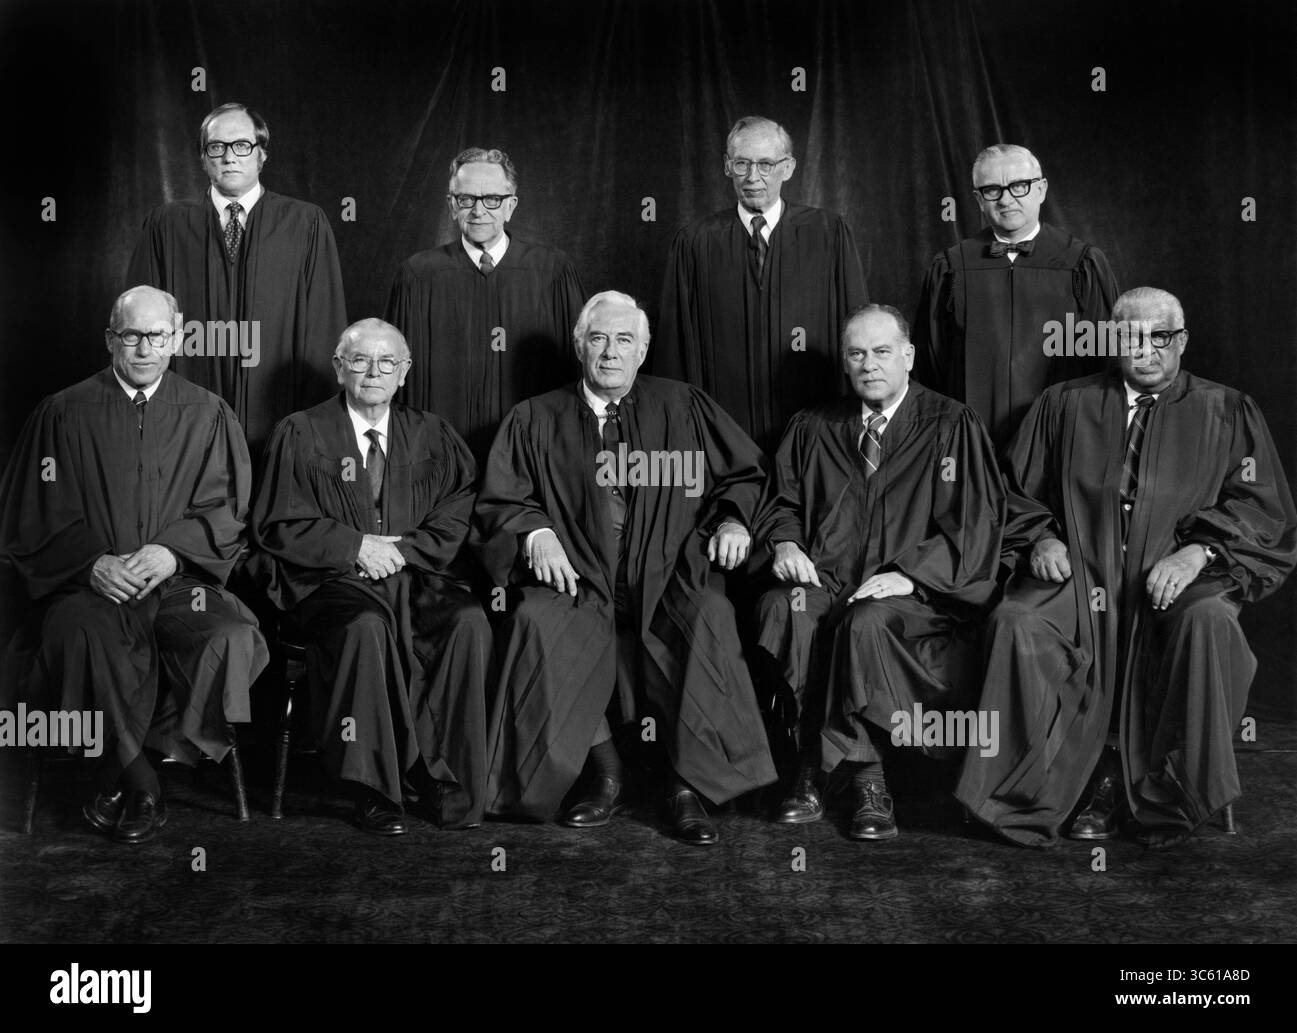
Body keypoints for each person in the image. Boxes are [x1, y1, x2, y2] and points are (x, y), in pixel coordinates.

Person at [956, 287, 1297, 848]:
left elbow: (1260, 508)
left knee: (1209, 621)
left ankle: (1170, 790)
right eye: (1130, 338)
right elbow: (1011, 493)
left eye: (1160, 338)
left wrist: (1199, 553)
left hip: (1174, 576)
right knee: (1016, 621)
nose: (1145, 352)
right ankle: (1035, 789)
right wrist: (1041, 538)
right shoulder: (1065, 403)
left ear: (1182, 340)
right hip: (1083, 572)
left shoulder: (1228, 409)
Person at [475, 291, 776, 845]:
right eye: (598, 339)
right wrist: (535, 533)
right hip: (577, 576)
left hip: (670, 571)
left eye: (623, 341)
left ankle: (686, 785)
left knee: (708, 615)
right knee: (534, 623)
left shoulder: (684, 405)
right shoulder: (535, 417)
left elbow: (743, 476)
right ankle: (604, 770)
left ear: (643, 351)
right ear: (578, 347)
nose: (610, 353)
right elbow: (500, 499)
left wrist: (734, 522)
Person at [0, 286, 268, 844]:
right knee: (79, 633)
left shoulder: (207, 412)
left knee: (229, 633)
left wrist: (172, 552)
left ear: (178, 337)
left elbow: (226, 508)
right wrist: (92, 563)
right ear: (110, 338)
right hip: (90, 586)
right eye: (132, 335)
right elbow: (31, 514)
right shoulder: (62, 411)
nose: (145, 348)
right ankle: (141, 781)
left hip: (177, 583)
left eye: (158, 335)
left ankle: (137, 760)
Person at [753, 305, 1005, 839]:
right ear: (845, 364)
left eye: (883, 351)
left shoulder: (950, 425)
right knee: (785, 608)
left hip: (913, 594)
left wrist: (912, 576)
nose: (870, 365)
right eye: (857, 354)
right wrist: (784, 543)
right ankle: (814, 764)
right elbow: (781, 502)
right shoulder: (813, 426)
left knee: (864, 622)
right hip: (829, 580)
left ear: (908, 357)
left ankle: (864, 781)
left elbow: (975, 524)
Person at [250, 319, 491, 835]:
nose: (374, 372)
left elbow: (460, 507)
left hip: (415, 573)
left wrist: (402, 551)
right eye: (360, 361)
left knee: (468, 621)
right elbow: (276, 521)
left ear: (404, 373)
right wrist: (354, 546)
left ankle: (448, 782)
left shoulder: (433, 433)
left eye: (388, 363)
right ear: (340, 369)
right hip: (330, 580)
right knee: (365, 627)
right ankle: (374, 787)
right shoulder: (301, 431)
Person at [127, 102, 348, 459]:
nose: (229, 157)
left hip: (277, 409)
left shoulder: (304, 224)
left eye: (242, 146)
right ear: (203, 158)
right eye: (217, 147)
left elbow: (324, 327)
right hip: (185, 413)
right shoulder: (165, 226)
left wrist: (313, 427)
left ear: (262, 155)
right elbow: (137, 326)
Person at [655, 116, 868, 453]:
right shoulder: (695, 243)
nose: (753, 177)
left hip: (814, 432)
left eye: (766, 164)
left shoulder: (828, 234)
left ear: (789, 167)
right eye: (742, 164)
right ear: (727, 166)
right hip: (721, 436)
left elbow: (858, 330)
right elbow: (673, 349)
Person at [913, 144, 1119, 449]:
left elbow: (1105, 359)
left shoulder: (1081, 263)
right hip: (971, 439)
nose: (1006, 199)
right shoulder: (952, 266)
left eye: (1019, 186)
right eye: (993, 189)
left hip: (1060, 438)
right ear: (978, 200)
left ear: (1041, 189)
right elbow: (931, 364)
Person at [387, 147, 586, 462]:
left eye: (492, 199)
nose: (479, 210)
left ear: (511, 206)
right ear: (452, 205)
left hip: (532, 456)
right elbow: (396, 379)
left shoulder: (552, 272)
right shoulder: (418, 275)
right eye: (466, 199)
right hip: (440, 457)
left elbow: (575, 372)